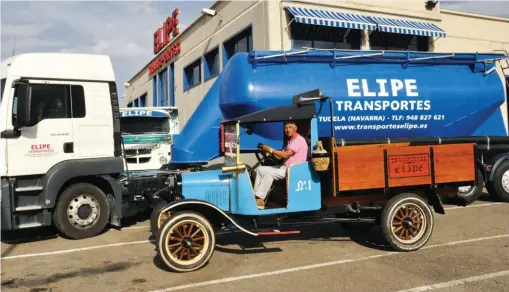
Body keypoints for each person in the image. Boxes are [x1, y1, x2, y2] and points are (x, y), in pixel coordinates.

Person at [252, 121, 309, 209]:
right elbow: (280, 156)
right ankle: (256, 197)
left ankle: (260, 199)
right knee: (261, 169)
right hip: (284, 167)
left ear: (295, 129)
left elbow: (286, 154)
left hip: (293, 170)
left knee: (269, 174)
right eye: (286, 128)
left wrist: (271, 150)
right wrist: (267, 151)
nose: (287, 130)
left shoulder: (299, 140)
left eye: (290, 127)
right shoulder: (290, 141)